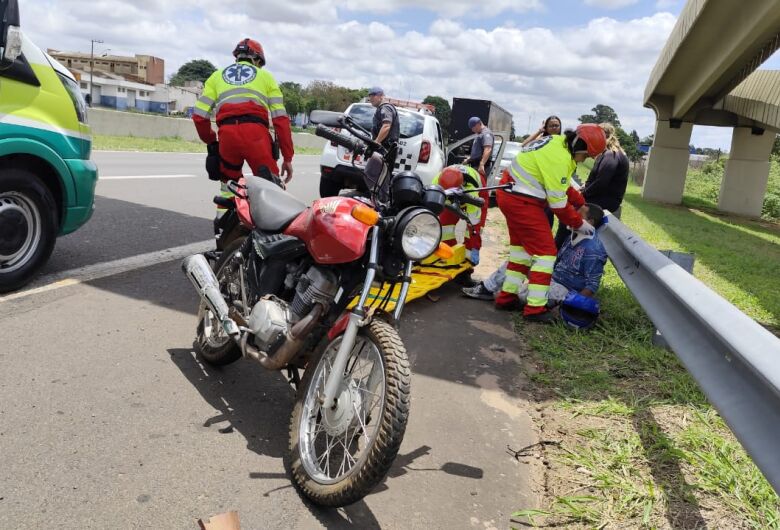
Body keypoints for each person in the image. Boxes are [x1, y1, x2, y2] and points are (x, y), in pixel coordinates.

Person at [495, 123, 606, 322]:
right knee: (546, 254)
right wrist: (579, 224)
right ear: (581, 146)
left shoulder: (557, 143)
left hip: (511, 195)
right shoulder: (560, 158)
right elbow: (558, 204)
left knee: (521, 253)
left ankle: (507, 297)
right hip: (522, 200)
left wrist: (580, 204)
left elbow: (560, 185)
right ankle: (535, 309)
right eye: (587, 156)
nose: (584, 160)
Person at [192, 38, 293, 185]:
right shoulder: (266, 77)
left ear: (237, 57)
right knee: (271, 188)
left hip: (227, 136)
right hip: (256, 136)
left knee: (228, 187)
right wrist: (287, 157)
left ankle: (227, 208)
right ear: (257, 60)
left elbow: (199, 116)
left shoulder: (216, 77)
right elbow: (281, 120)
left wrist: (212, 141)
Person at [463, 203, 607, 305]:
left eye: (579, 215)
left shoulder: (593, 250)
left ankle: (516, 297)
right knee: (519, 260)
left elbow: (592, 286)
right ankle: (487, 288)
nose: (574, 217)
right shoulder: (573, 238)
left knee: (524, 297)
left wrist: (572, 306)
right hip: (552, 280)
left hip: (565, 291)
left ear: (590, 222)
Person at [554, 122, 629, 249]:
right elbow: (596, 181)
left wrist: (583, 194)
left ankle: (559, 247)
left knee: (568, 215)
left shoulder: (611, 154)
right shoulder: (609, 154)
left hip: (604, 201)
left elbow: (601, 183)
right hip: (603, 198)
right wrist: (584, 188)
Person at [432, 165, 486, 265]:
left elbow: (474, 224)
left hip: (477, 189)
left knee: (473, 226)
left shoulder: (472, 191)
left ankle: (468, 260)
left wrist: (475, 246)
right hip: (447, 191)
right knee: (445, 224)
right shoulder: (436, 183)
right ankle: (447, 254)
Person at [368, 87, 400, 170]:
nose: (370, 98)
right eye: (370, 96)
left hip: (385, 149)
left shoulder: (385, 108)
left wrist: (377, 142)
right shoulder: (383, 108)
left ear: (381, 96)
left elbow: (386, 126)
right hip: (385, 149)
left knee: (378, 176)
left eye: (373, 95)